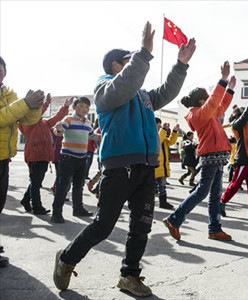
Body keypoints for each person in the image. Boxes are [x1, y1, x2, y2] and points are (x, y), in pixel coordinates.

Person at [52, 22, 196, 297]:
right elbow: (125, 85)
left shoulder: (142, 96)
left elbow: (165, 92)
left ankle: (129, 276)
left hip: (146, 167)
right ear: (117, 65)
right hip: (120, 168)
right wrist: (144, 53)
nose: (138, 65)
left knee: (141, 226)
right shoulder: (104, 89)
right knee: (103, 225)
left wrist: (180, 65)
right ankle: (67, 258)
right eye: (130, 61)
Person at [163, 61, 235, 242]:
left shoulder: (208, 113)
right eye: (209, 98)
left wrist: (230, 90)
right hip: (211, 156)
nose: (212, 100)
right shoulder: (198, 115)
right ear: (203, 101)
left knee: (215, 194)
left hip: (218, 156)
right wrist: (223, 81)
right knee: (203, 191)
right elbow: (214, 103)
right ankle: (174, 219)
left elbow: (220, 106)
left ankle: (214, 228)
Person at [0, 55, 44, 268]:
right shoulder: (14, 100)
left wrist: (34, 106)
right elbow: (2, 117)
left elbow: (28, 120)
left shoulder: (10, 94)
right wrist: (24, 104)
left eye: (1, 68)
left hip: (3, 158)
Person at [19, 94, 72, 215]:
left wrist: (65, 106)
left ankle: (25, 200)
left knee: (36, 182)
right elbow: (37, 113)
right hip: (34, 157)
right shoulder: (26, 123)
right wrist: (45, 104)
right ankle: (37, 207)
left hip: (44, 157)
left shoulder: (44, 123)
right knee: (36, 184)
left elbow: (57, 117)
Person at [51, 96, 98, 223]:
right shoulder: (68, 119)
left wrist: (104, 136)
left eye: (87, 107)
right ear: (75, 107)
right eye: (81, 106)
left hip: (82, 158)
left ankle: (78, 209)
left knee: (79, 185)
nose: (84, 109)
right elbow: (58, 132)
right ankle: (56, 213)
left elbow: (92, 135)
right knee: (63, 186)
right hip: (68, 158)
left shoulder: (88, 122)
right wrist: (58, 129)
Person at [220, 88, 248, 218]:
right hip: (243, 159)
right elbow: (246, 115)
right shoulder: (236, 125)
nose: (246, 115)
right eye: (242, 112)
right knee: (235, 184)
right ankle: (221, 203)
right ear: (237, 115)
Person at [155, 118, 178, 210]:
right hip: (155, 166)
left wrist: (174, 132)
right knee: (152, 187)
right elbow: (157, 141)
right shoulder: (153, 135)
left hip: (163, 166)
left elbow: (170, 142)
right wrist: (163, 130)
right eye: (159, 125)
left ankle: (163, 202)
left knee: (162, 186)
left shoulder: (162, 134)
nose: (160, 126)